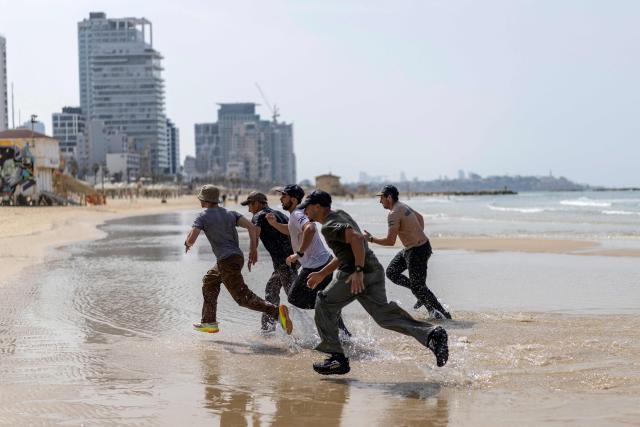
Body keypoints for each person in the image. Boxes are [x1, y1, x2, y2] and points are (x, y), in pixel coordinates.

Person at [301, 190, 448, 375]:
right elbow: (348, 250)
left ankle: (336, 358)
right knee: (384, 317)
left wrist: (358, 271)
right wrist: (322, 273)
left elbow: (355, 238)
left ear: (317, 207)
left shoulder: (328, 226)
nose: (304, 211)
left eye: (306, 207)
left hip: (355, 275)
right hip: (373, 270)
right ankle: (432, 334)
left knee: (324, 303)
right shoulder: (340, 214)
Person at [184, 184, 293, 335]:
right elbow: (251, 227)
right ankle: (209, 322)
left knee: (243, 298)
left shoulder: (203, 216)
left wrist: (187, 243)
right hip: (236, 257)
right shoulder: (231, 213)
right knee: (210, 280)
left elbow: (192, 238)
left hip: (226, 261)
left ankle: (276, 313)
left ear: (204, 200)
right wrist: (252, 249)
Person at [267, 184, 351, 336]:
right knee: (319, 299)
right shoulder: (296, 215)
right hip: (321, 263)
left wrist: (298, 254)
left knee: (294, 297)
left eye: (284, 196)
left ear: (293, 199)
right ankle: (343, 333)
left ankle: (333, 319)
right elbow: (291, 230)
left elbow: (310, 229)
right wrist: (275, 224)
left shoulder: (298, 215)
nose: (281, 198)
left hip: (317, 266)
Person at [364, 185, 452, 319]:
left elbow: (390, 241)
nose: (380, 201)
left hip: (418, 251)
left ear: (389, 197)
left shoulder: (393, 214)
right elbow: (420, 218)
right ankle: (420, 295)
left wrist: (370, 239)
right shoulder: (402, 206)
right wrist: (417, 235)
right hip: (414, 248)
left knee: (419, 286)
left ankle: (444, 315)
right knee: (392, 272)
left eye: (381, 198)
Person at [241, 191, 297, 332]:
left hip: (284, 262)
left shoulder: (258, 216)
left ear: (258, 203)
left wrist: (252, 251)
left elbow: (255, 232)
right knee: (271, 289)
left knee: (297, 297)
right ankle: (268, 329)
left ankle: (332, 318)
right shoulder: (280, 214)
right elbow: (294, 232)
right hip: (292, 259)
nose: (249, 209)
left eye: (250, 205)